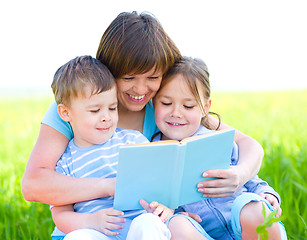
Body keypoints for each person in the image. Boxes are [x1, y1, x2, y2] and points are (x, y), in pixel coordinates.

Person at [22, 11, 263, 219]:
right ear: (109, 69)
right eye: (128, 78)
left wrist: (240, 174)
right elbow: (34, 184)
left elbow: (247, 144)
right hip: (89, 224)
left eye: (152, 78)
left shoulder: (162, 107)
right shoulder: (78, 107)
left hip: (145, 222)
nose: (140, 90)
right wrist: (109, 187)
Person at [145, 56, 287, 240]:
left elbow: (251, 179)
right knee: (176, 226)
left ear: (205, 107)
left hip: (243, 225)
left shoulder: (218, 139)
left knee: (253, 208)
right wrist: (174, 214)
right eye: (166, 103)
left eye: (188, 106)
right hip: (203, 232)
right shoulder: (152, 152)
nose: (176, 113)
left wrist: (266, 194)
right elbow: (162, 198)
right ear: (153, 102)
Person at [49, 55, 171, 240]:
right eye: (95, 110)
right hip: (96, 232)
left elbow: (161, 182)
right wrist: (91, 221)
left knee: (149, 223)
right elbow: (60, 214)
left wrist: (165, 205)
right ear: (66, 113)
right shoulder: (65, 163)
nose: (106, 117)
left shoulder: (132, 141)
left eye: (112, 108)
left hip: (136, 228)